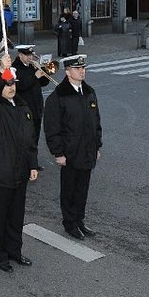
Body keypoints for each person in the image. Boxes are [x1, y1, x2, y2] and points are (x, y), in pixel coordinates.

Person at [0, 59, 39, 273]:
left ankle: (15, 251)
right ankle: (0, 254)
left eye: (13, 83)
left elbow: (29, 139)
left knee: (16, 215)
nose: (11, 87)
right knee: (0, 216)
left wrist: (33, 164)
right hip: (1, 170)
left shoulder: (23, 106)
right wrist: (1, 71)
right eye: (7, 84)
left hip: (20, 170)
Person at [44, 54, 102, 240]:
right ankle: (69, 223)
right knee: (69, 189)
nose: (82, 71)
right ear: (68, 72)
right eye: (77, 69)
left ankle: (79, 221)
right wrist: (58, 153)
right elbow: (52, 129)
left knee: (82, 189)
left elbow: (96, 122)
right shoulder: (58, 97)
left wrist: (96, 145)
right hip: (69, 153)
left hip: (87, 150)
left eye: (83, 68)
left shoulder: (89, 92)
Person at [12, 45, 50, 150]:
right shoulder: (14, 68)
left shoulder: (32, 66)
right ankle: (26, 163)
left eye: (31, 55)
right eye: (27, 55)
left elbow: (44, 83)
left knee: (35, 137)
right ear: (20, 55)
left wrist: (43, 70)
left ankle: (33, 163)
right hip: (24, 108)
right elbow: (20, 86)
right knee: (26, 138)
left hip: (37, 107)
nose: (30, 58)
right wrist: (35, 76)